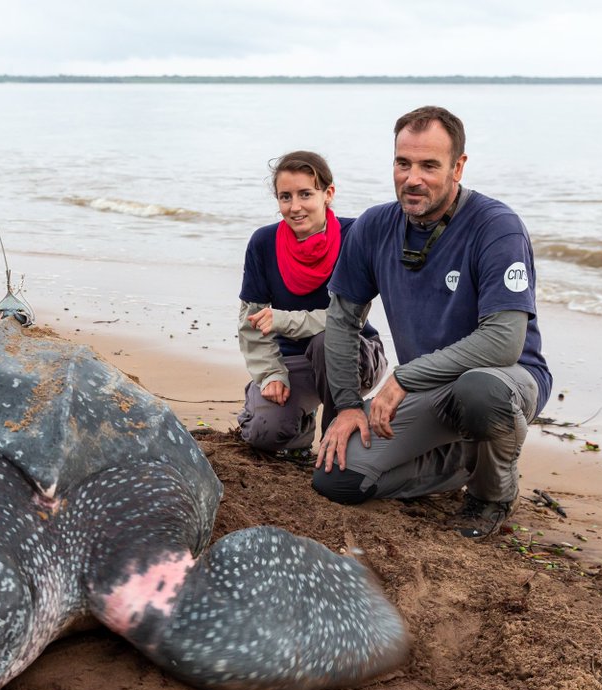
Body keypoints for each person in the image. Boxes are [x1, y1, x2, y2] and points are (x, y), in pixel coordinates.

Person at [313, 106, 552, 539]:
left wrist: (403, 378)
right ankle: (461, 461)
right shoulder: (372, 227)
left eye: (429, 165)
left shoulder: (497, 227)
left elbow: (504, 341)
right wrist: (348, 404)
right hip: (429, 390)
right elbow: (343, 320)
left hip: (505, 382)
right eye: (403, 163)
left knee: (480, 391)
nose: (413, 178)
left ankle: (491, 495)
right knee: (337, 480)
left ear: (458, 167)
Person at [236, 151, 387, 461]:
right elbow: (250, 322)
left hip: (355, 356)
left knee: (325, 342)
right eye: (285, 197)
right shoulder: (263, 243)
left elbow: (347, 320)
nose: (295, 207)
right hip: (294, 360)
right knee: (264, 433)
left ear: (328, 194)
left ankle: (339, 429)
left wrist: (282, 320)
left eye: (306, 194)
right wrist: (270, 373)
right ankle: (298, 425)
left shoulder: (354, 237)